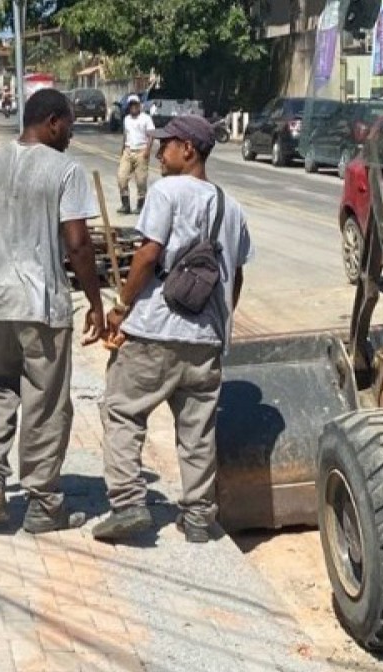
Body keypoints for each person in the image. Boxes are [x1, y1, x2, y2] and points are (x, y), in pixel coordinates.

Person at [0, 89, 107, 534]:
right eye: (69, 125)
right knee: (45, 402)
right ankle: (42, 504)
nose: (71, 136)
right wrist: (95, 303)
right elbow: (77, 244)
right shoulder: (65, 170)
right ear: (52, 121)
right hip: (42, 307)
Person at [93, 114, 253, 545]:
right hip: (206, 342)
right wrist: (219, 322)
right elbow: (234, 276)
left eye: (167, 145)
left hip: (155, 331)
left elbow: (148, 255)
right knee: (197, 429)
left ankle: (127, 504)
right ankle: (199, 516)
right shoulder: (232, 207)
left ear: (190, 150)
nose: (160, 153)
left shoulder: (166, 192)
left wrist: (121, 306)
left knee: (123, 410)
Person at [117, 95, 154, 215]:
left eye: (135, 105)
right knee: (121, 177)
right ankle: (125, 204)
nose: (133, 107)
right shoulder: (126, 119)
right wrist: (122, 149)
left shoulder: (146, 118)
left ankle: (140, 205)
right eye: (131, 105)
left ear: (139, 105)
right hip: (128, 151)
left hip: (141, 151)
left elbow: (151, 135)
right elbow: (125, 134)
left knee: (141, 180)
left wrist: (148, 150)